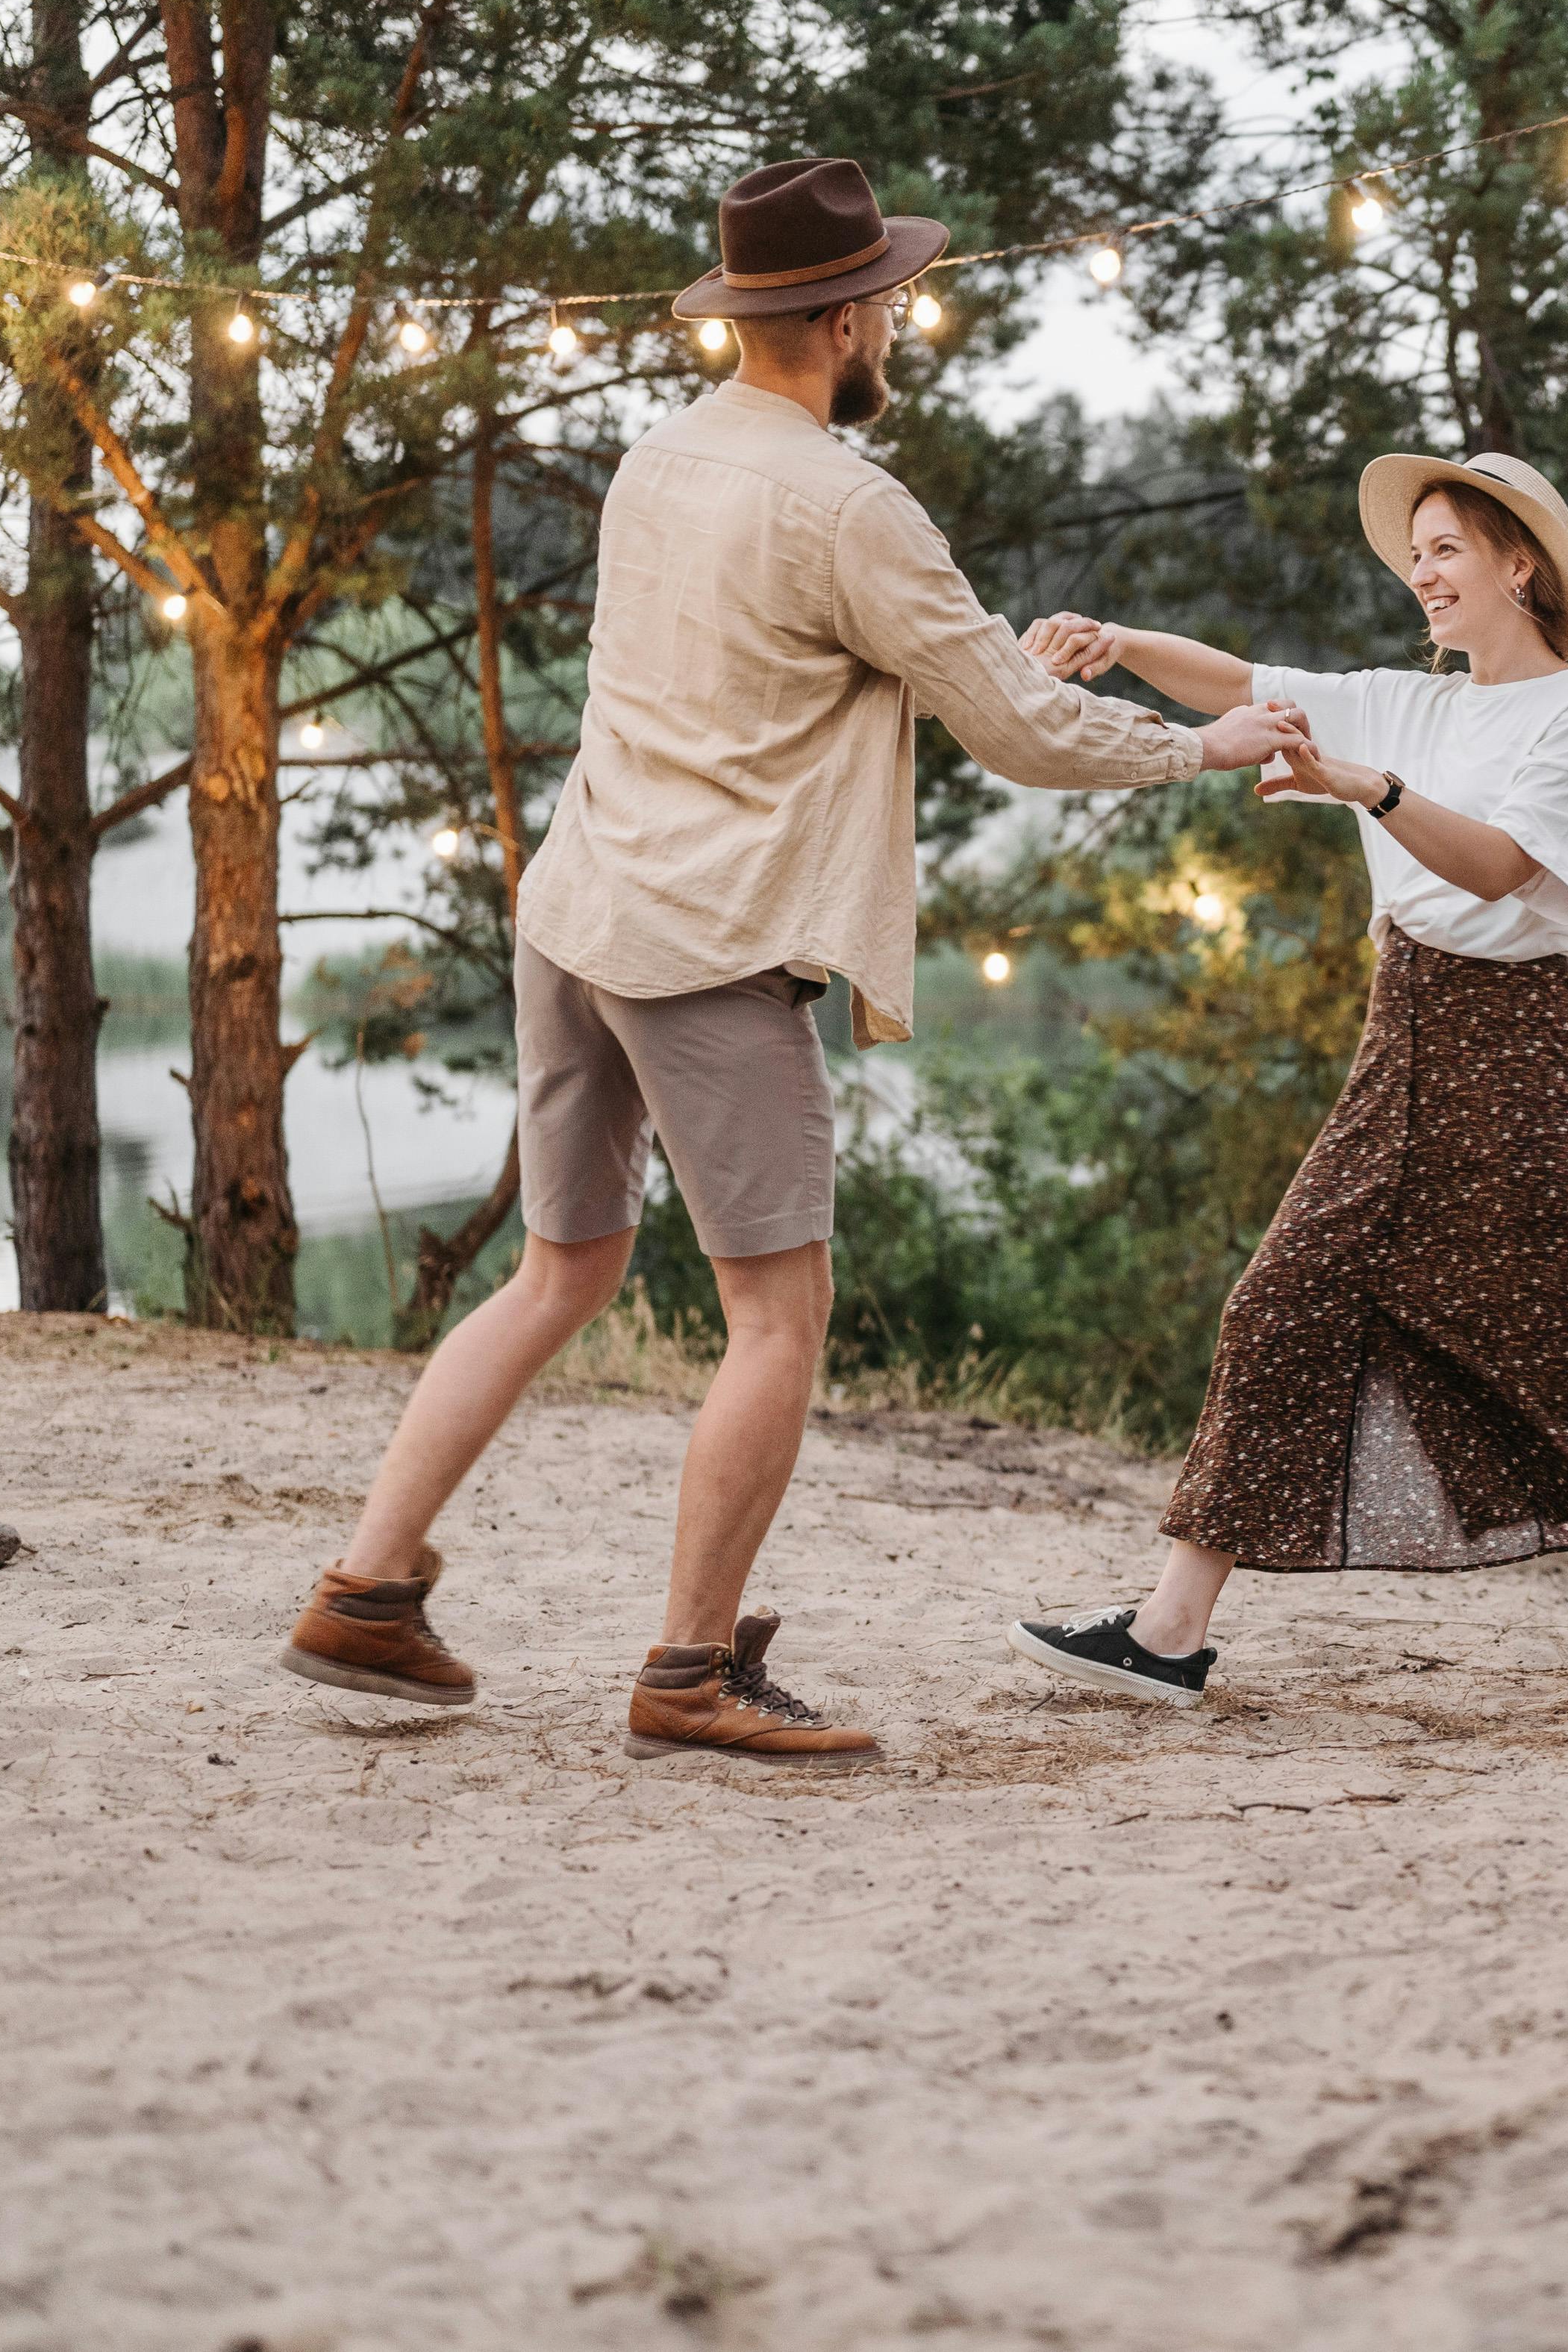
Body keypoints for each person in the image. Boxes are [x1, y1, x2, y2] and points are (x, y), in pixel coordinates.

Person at [275, 158, 1307, 1765]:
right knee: (779, 1316)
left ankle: (364, 1590)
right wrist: (1207, 742)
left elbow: (796, 680)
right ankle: (689, 1670)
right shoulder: (852, 503)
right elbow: (1023, 734)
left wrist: (962, 675)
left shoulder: (655, 462)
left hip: (582, 908)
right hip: (709, 943)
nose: (899, 313)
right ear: (837, 317)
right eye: (886, 295)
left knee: (561, 1271)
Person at [1002, 449, 1568, 1706]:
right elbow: (1244, 682)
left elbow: (1496, 869)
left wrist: (1367, 787)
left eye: (1443, 550)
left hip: (1530, 1042)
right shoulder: (1402, 698)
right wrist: (1119, 638)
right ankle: (1169, 1634)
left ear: (1516, 563)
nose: (1420, 574)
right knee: (1285, 1301)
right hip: (1411, 1029)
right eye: (1414, 553)